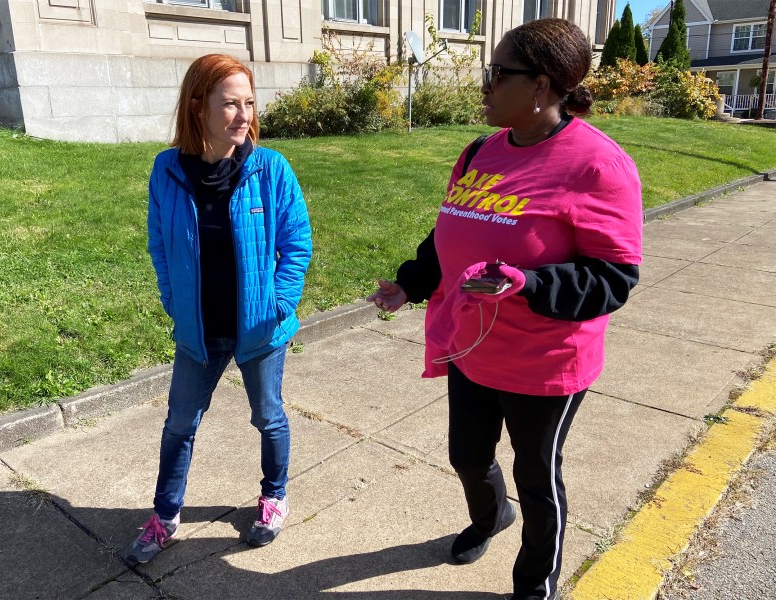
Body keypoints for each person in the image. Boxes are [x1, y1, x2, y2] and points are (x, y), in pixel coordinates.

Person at [367, 18, 642, 600]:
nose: (484, 86)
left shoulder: (597, 165)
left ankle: (534, 582)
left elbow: (613, 277)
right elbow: (451, 234)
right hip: (472, 346)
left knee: (536, 478)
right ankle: (491, 517)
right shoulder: (479, 151)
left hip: (545, 362)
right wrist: (411, 283)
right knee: (467, 456)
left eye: (496, 74)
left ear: (541, 86)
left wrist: (527, 283)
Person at [128, 53, 312, 564]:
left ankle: (274, 496)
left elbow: (297, 242)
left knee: (268, 417)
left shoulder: (270, 168)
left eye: (249, 103)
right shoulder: (167, 170)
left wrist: (278, 303)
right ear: (197, 107)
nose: (243, 115)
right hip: (198, 332)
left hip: (260, 330)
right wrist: (172, 299)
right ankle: (165, 516)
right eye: (229, 104)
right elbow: (159, 244)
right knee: (180, 423)